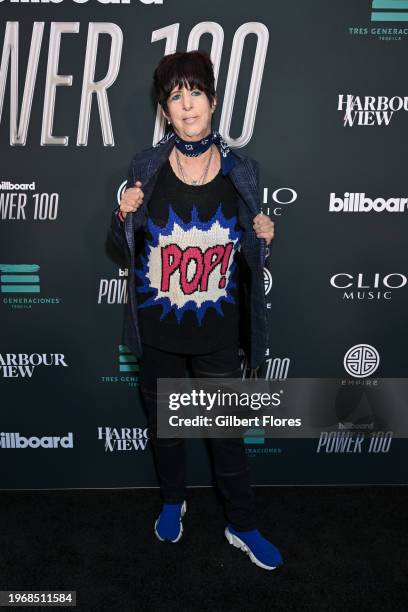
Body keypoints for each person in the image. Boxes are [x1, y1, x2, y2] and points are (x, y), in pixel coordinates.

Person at [108, 50, 283, 570]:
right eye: (175, 97)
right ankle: (171, 500)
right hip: (159, 329)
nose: (187, 106)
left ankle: (243, 524)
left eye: (195, 94)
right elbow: (121, 247)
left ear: (212, 101)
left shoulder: (242, 171)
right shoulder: (146, 166)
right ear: (165, 109)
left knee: (227, 436)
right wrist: (122, 216)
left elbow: (250, 258)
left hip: (218, 333)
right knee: (165, 430)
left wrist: (265, 239)